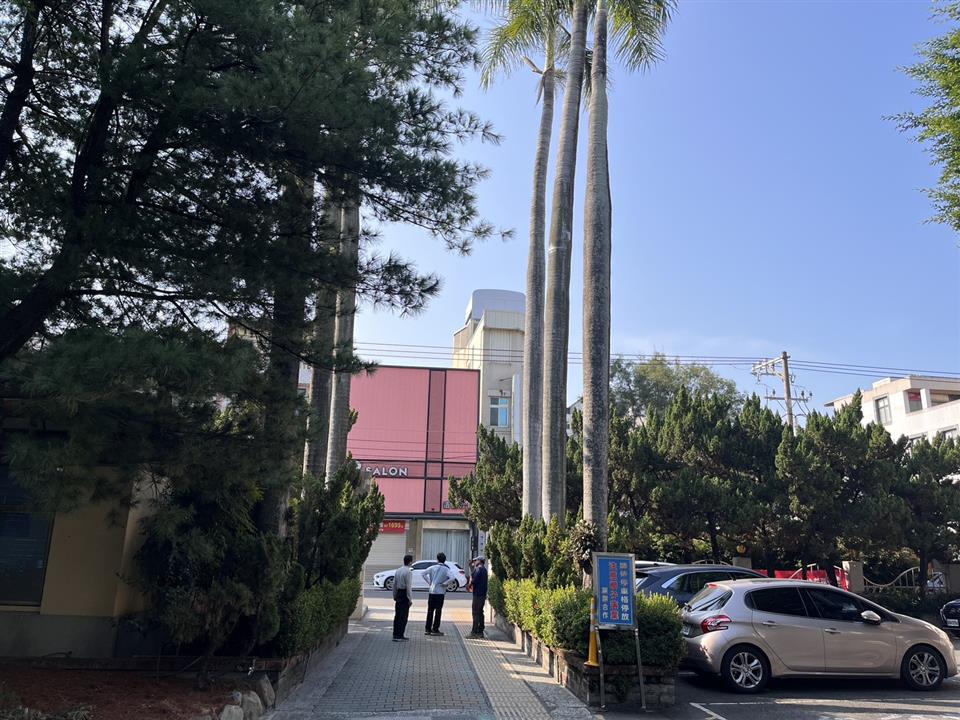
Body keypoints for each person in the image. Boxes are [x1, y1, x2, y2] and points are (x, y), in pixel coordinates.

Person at [422, 552, 452, 636]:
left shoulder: (432, 567)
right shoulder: (446, 569)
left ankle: (427, 629)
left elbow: (423, 574)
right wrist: (445, 583)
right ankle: (435, 629)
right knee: (438, 611)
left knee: (430, 610)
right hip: (440, 592)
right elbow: (452, 577)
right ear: (444, 560)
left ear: (437, 559)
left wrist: (430, 582)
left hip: (432, 591)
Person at [392, 554, 414, 642]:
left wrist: (394, 595)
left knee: (397, 615)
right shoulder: (408, 572)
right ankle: (400, 635)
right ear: (410, 562)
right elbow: (408, 586)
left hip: (398, 593)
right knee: (403, 616)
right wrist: (410, 598)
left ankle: (395, 634)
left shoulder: (398, 570)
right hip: (404, 594)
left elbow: (394, 584)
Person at [467, 556, 488, 639]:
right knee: (480, 612)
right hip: (482, 594)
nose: (474, 562)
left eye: (476, 560)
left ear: (479, 561)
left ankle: (475, 632)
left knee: (476, 612)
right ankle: (480, 631)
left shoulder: (479, 569)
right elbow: (474, 575)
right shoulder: (483, 569)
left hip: (478, 594)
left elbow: (474, 579)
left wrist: (469, 585)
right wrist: (471, 567)